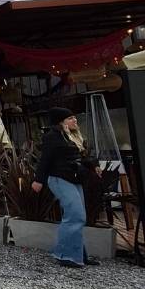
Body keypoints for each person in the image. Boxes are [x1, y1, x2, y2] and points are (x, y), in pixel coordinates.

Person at [31, 107, 101, 268]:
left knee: (76, 216)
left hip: (74, 179)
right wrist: (38, 180)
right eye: (70, 118)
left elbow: (83, 156)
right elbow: (45, 159)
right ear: (61, 122)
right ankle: (65, 255)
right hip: (59, 178)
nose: (75, 120)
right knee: (76, 216)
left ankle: (78, 255)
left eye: (74, 117)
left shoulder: (74, 137)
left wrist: (94, 165)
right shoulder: (53, 137)